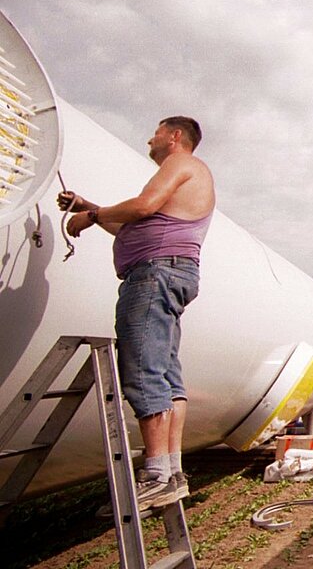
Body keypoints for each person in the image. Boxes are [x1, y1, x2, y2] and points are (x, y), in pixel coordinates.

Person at [60, 116, 214, 511]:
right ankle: (172, 470)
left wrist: (92, 216)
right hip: (168, 272)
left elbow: (143, 207)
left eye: (157, 131)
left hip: (154, 275)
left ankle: (157, 475)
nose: (151, 138)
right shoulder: (186, 175)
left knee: (143, 370)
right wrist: (90, 208)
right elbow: (135, 223)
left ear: (174, 136)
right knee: (165, 373)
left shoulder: (179, 164)